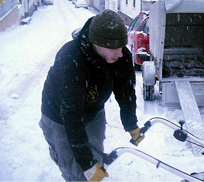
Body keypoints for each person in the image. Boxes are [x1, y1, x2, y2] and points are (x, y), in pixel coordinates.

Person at [39, 9, 144, 181]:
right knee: (71, 164)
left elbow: (126, 92)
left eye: (122, 47)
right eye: (114, 48)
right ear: (97, 43)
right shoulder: (71, 60)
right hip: (59, 116)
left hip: (93, 110)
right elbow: (71, 115)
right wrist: (87, 165)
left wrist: (131, 124)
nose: (120, 53)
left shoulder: (121, 56)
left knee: (95, 156)